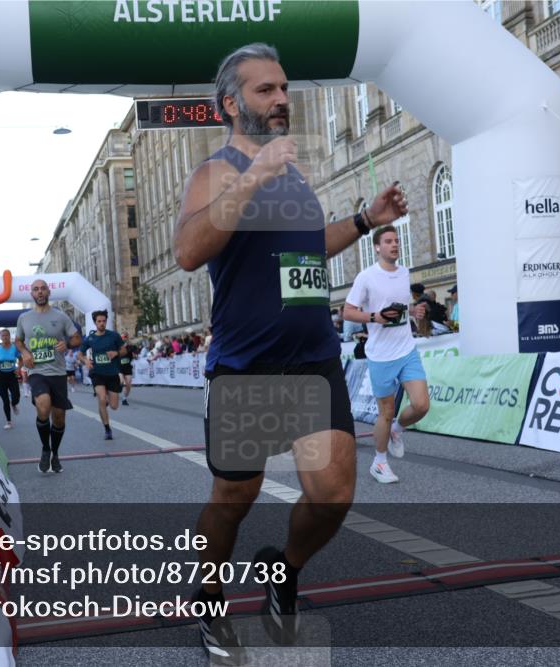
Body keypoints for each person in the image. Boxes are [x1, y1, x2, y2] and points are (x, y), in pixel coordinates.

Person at [173, 42, 409, 662]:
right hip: (249, 368)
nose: (282, 99)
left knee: (333, 495)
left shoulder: (296, 177)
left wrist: (363, 220)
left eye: (283, 89)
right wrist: (255, 175)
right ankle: (210, 600)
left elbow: (306, 250)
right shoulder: (219, 171)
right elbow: (189, 252)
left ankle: (284, 569)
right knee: (234, 499)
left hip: (313, 361)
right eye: (265, 90)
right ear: (231, 104)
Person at [344, 226, 430, 484]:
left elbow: (400, 307)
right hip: (380, 354)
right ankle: (379, 463)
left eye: (397, 241)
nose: (394, 245)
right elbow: (348, 312)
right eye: (389, 241)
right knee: (386, 411)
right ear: (377, 247)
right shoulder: (366, 277)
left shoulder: (404, 273)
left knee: (422, 405)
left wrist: (413, 312)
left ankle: (397, 430)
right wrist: (374, 317)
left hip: (406, 350)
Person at [15, 280, 82, 474]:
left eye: (43, 288)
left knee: (59, 418)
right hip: (37, 371)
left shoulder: (61, 317)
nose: (40, 292)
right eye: (36, 289)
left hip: (58, 373)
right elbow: (18, 341)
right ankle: (45, 448)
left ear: (49, 292)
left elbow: (77, 338)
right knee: (43, 405)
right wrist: (25, 353)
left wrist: (68, 344)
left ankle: (55, 453)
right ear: (32, 294)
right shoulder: (24, 318)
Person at [78, 310, 126, 440]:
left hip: (112, 373)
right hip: (97, 373)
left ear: (106, 321)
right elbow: (80, 354)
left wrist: (115, 353)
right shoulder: (91, 338)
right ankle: (107, 429)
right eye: (99, 321)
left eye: (104, 321)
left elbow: (124, 350)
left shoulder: (114, 336)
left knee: (114, 406)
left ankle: (104, 402)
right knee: (101, 398)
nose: (102, 323)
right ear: (95, 322)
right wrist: (86, 361)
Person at [0, 329, 21, 430]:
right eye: (3, 336)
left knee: (16, 396)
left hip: (12, 375)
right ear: (0, 337)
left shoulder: (14, 348)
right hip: (1, 376)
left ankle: (14, 403)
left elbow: (21, 359)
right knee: (5, 400)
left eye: (6, 335)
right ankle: (9, 421)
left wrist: (19, 368)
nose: (5, 337)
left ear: (9, 336)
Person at [119, 331, 136, 406]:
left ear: (127, 337)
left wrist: (134, 355)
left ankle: (124, 398)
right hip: (119, 367)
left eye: (125, 337)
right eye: (122, 337)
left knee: (128, 384)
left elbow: (135, 354)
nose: (123, 338)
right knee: (121, 381)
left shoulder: (130, 346)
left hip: (128, 367)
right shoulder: (118, 346)